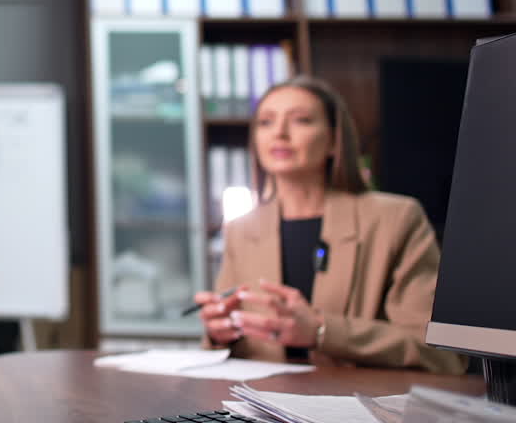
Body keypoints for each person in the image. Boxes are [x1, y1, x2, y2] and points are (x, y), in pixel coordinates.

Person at [194, 75, 466, 374]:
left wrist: (322, 331)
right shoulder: (241, 230)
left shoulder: (396, 219)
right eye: (266, 122)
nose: (280, 133)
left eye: (301, 120)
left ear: (334, 140)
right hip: (261, 407)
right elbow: (243, 349)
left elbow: (441, 354)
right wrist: (220, 334)